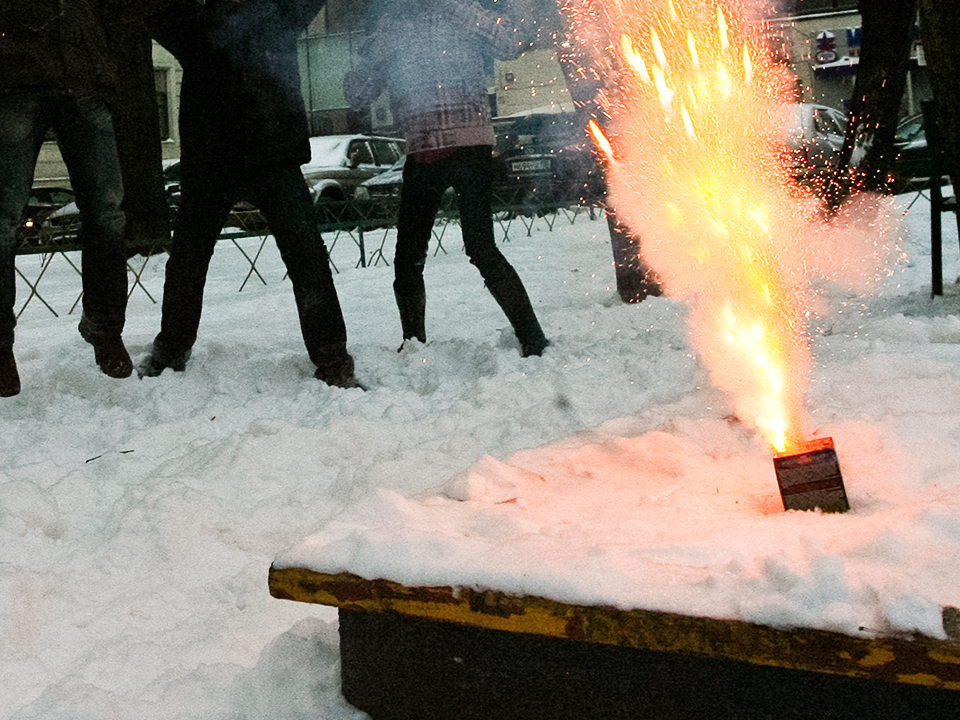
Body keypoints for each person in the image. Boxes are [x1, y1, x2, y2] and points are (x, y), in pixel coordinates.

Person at [141, 0, 360, 388]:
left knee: (298, 257)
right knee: (196, 261)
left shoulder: (263, 13)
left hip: (255, 149)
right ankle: (331, 360)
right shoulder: (239, 16)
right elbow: (155, 14)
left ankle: (331, 358)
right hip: (236, 150)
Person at [344, 0, 549, 357]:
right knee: (408, 255)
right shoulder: (393, 24)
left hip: (468, 145)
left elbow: (510, 44)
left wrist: (453, 7)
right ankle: (413, 344)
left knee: (480, 247)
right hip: (423, 148)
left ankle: (532, 338)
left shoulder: (460, 9)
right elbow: (357, 97)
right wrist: (376, 50)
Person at [0, 0, 158, 397]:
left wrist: (109, 63)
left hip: (85, 77)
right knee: (2, 218)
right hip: (15, 78)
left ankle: (105, 329)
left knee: (108, 212)